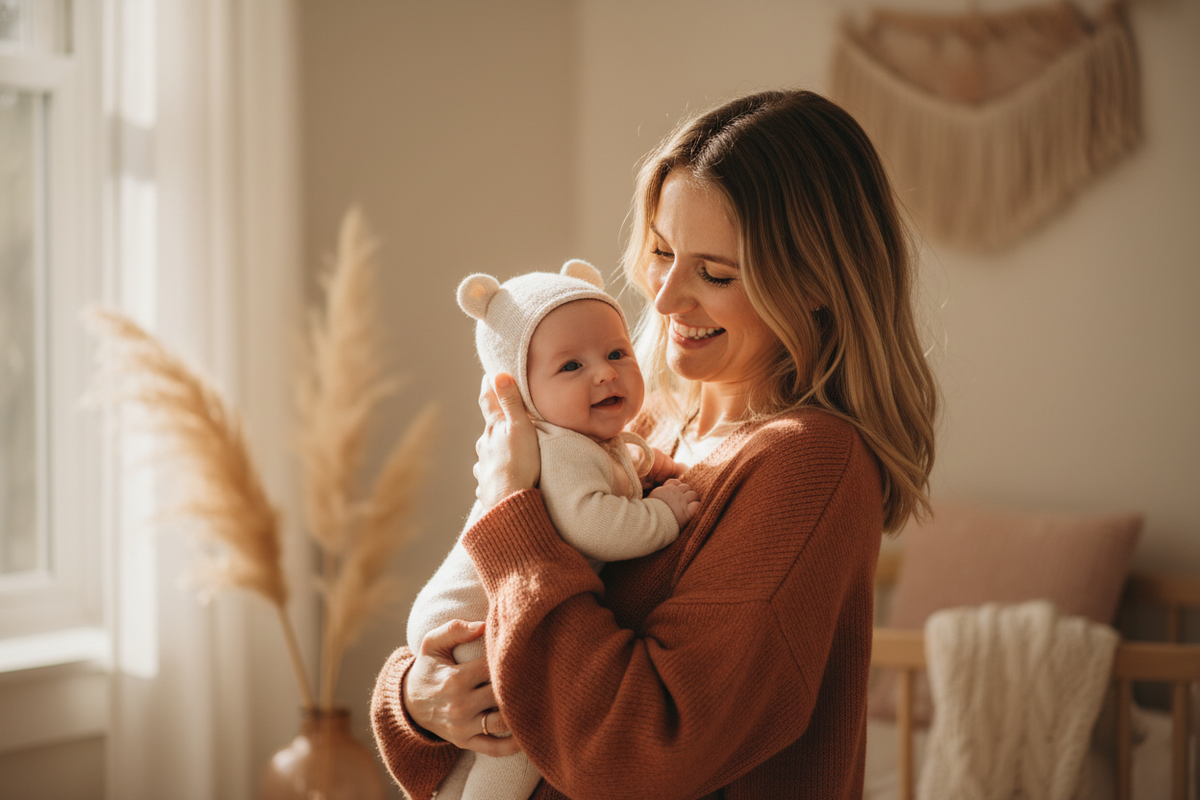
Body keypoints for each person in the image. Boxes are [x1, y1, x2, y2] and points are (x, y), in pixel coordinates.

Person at [372, 88, 939, 799]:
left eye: (715, 272)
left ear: (819, 282)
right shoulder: (635, 426)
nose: (665, 298)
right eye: (663, 253)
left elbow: (646, 750)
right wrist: (419, 700)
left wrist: (507, 513)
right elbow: (487, 618)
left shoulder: (808, 463)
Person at [405, 260, 701, 800]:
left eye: (616, 353)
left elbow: (629, 464)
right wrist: (664, 512)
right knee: (522, 741)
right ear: (518, 393)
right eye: (571, 366)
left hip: (472, 616)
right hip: (472, 621)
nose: (605, 373)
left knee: (486, 745)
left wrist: (653, 468)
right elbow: (596, 524)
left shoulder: (588, 439)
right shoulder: (560, 449)